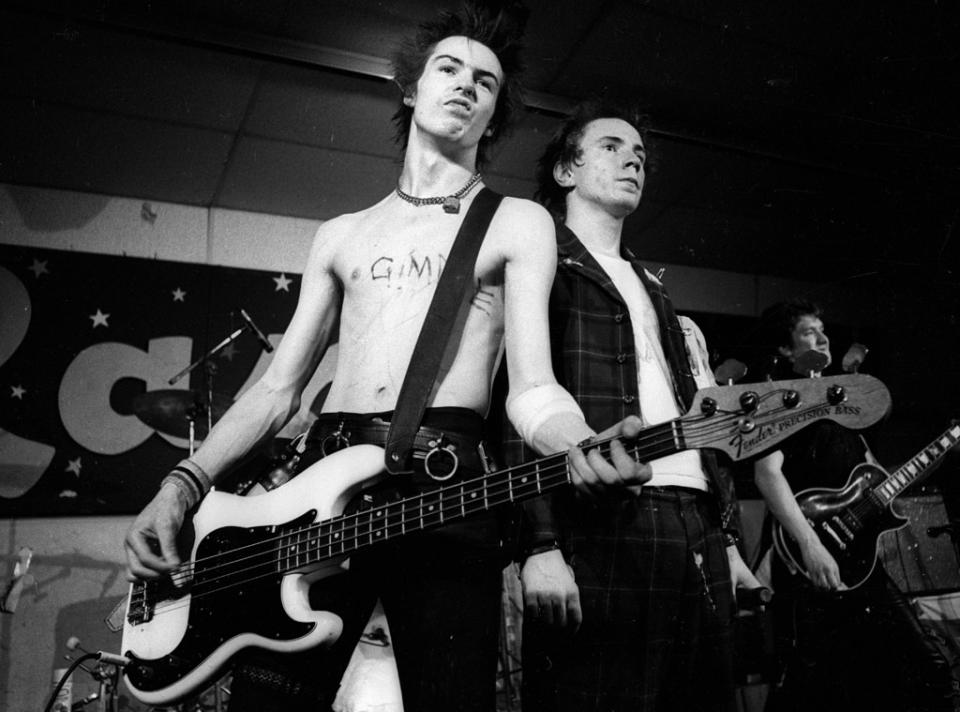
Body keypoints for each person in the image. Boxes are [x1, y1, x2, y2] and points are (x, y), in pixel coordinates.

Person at [122, 5, 646, 712]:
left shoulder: (518, 222)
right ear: (410, 89)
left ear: (494, 118)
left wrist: (577, 441)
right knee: (268, 702)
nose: (466, 85)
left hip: (445, 488)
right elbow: (278, 389)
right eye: (448, 68)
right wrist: (182, 486)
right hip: (316, 495)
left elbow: (533, 390)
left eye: (485, 83)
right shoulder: (340, 234)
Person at [513, 99, 760, 712]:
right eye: (612, 147)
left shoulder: (656, 290)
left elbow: (700, 423)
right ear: (566, 172)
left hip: (695, 524)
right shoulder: (543, 266)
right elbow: (516, 409)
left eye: (641, 155)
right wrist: (538, 545)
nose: (633, 161)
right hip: (600, 522)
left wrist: (727, 541)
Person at [753, 299, 958, 712]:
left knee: (927, 673)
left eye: (823, 329)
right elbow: (767, 474)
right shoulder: (779, 403)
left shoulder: (844, 408)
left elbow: (873, 475)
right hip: (811, 562)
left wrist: (935, 453)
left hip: (862, 566)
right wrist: (811, 546)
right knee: (811, 690)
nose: (824, 337)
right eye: (809, 332)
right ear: (785, 350)